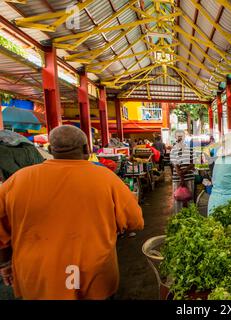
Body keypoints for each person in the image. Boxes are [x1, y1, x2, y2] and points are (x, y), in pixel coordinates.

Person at [0, 125, 144, 300]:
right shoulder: (106, 178)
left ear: (51, 150)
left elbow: (2, 233)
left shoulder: (17, 180)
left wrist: (5, 264)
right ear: (86, 148)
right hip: (93, 275)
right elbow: (134, 221)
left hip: (37, 276)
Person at [170, 130, 195, 214]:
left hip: (185, 178)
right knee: (180, 199)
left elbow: (193, 163)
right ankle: (183, 217)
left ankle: (187, 217)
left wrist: (183, 173)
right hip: (180, 179)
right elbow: (176, 166)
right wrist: (182, 178)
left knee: (187, 198)